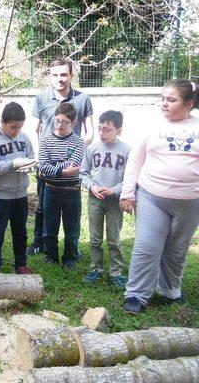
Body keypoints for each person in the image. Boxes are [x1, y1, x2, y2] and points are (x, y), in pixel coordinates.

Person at [120, 79, 199, 315]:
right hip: (152, 196)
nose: (164, 103)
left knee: (177, 248)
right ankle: (136, 295)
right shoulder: (150, 126)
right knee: (146, 246)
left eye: (171, 100)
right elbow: (135, 161)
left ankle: (170, 291)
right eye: (162, 98)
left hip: (192, 202)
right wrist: (128, 193)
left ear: (189, 103)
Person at [28, 58, 94, 256]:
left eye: (64, 74)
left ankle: (71, 248)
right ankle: (40, 242)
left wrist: (76, 156)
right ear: (50, 76)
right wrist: (42, 156)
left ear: (71, 76)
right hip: (47, 163)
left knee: (71, 211)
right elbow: (35, 129)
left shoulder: (83, 99)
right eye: (55, 74)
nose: (60, 79)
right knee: (43, 205)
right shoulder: (41, 98)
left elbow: (89, 132)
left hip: (72, 166)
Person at [0, 102, 36, 274]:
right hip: (1, 196)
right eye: (13, 127)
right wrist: (12, 163)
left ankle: (21, 263)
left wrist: (29, 166)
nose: (17, 131)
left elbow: (32, 159)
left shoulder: (24, 138)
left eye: (20, 127)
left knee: (20, 232)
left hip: (21, 195)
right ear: (2, 122)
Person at [80, 110, 130, 288]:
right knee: (94, 237)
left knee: (114, 239)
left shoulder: (126, 151)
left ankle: (115, 272)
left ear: (119, 130)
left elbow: (131, 178)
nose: (102, 133)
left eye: (107, 129)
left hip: (115, 201)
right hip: (95, 198)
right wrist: (92, 186)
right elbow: (83, 173)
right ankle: (95, 269)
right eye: (100, 129)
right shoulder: (92, 148)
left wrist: (115, 190)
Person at [37, 103, 85, 270]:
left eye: (64, 122)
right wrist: (63, 170)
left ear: (73, 122)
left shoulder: (79, 142)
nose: (59, 125)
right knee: (49, 227)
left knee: (72, 228)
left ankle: (70, 258)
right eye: (56, 120)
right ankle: (50, 256)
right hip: (50, 190)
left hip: (72, 191)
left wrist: (54, 167)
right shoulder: (46, 140)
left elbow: (75, 165)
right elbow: (42, 167)